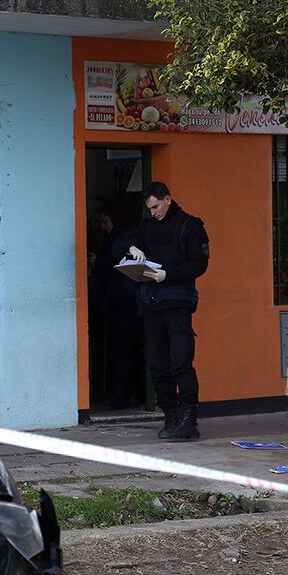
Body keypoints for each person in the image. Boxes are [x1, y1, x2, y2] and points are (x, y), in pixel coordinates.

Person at [114, 181, 209, 440]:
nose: (153, 212)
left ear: (168, 199)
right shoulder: (147, 227)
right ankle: (171, 416)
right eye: (149, 208)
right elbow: (123, 239)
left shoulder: (190, 226)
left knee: (180, 362)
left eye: (156, 206)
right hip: (151, 304)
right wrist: (130, 248)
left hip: (177, 304)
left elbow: (199, 265)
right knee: (157, 366)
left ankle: (189, 418)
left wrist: (167, 275)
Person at [90, 204, 141, 409]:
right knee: (128, 351)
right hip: (128, 299)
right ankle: (130, 396)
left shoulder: (121, 237)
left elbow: (115, 259)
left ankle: (121, 397)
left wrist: (98, 261)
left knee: (121, 351)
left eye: (105, 222)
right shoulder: (130, 235)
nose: (104, 227)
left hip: (122, 300)